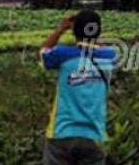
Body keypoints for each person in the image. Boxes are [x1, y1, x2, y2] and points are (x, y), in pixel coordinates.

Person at [40, 10, 116, 165]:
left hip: (62, 132)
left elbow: (43, 51)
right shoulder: (110, 56)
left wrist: (60, 29)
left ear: (74, 31)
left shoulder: (62, 54)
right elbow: (99, 47)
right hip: (95, 135)